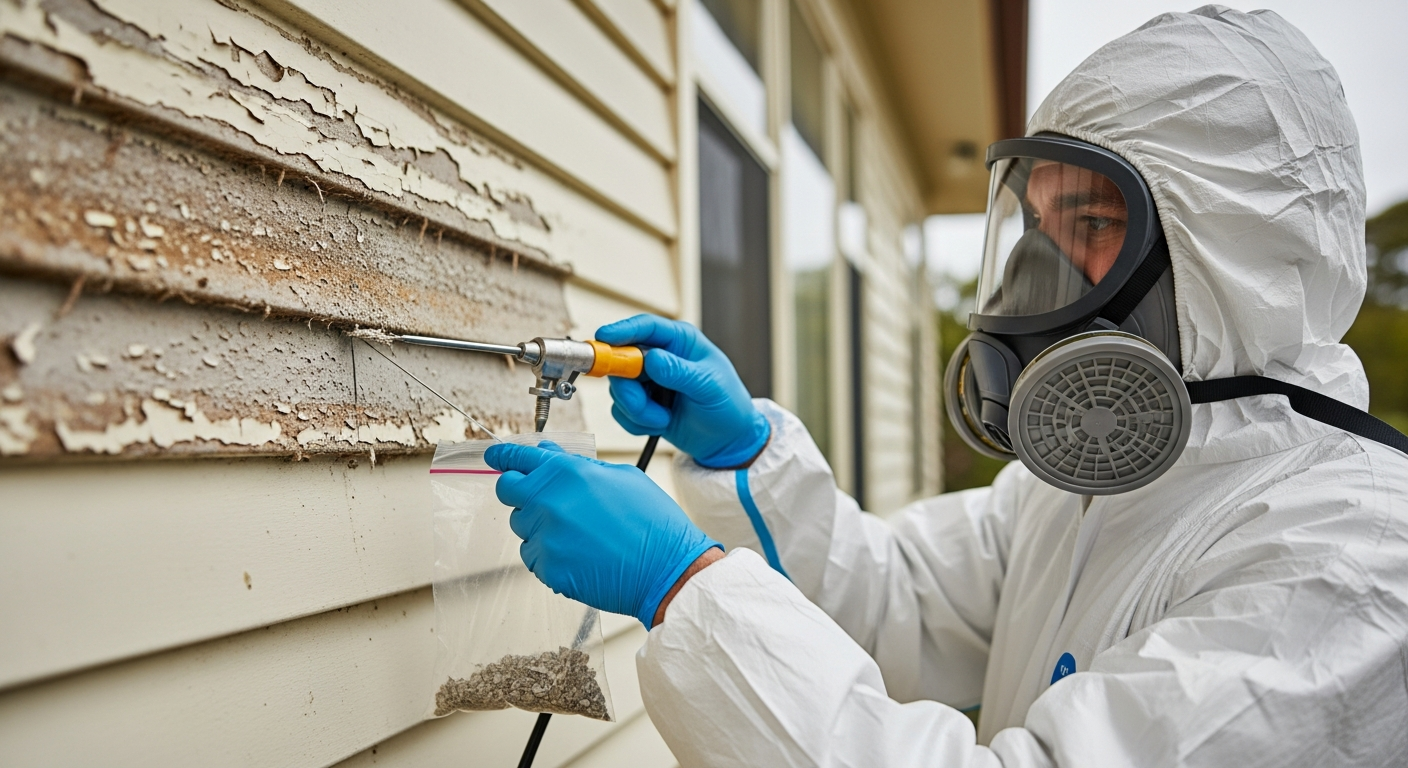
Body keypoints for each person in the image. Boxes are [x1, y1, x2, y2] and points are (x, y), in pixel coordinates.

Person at [485, 7, 1408, 765]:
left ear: (1228, 257)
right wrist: (743, 461)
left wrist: (679, 584)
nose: (1044, 274)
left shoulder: (1354, 562)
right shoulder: (1081, 491)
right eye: (1037, 226)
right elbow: (899, 604)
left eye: (1088, 223)